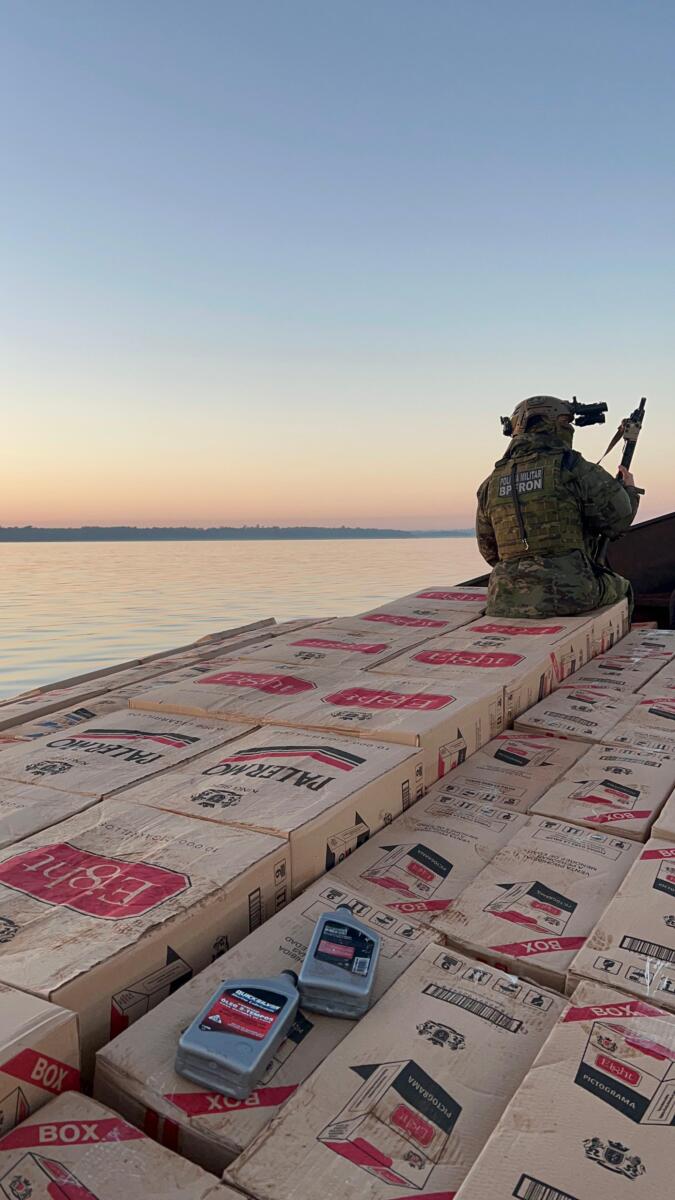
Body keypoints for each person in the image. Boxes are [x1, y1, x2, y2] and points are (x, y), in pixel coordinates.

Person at [476, 396, 642, 618]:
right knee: (623, 588)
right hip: (571, 595)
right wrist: (629, 490)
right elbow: (619, 520)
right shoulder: (573, 466)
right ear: (556, 425)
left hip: (504, 599)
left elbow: (489, 552)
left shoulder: (490, 483)